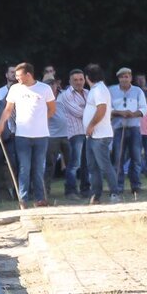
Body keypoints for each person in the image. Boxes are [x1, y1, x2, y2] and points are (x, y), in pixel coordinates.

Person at [0, 63, 56, 208]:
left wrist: (40, 120)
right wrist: (1, 123)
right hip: (22, 135)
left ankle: (40, 199)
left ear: (28, 75)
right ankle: (23, 199)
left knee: (38, 167)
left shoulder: (45, 88)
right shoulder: (15, 89)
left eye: (19, 76)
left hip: (41, 135)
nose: (16, 79)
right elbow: (8, 109)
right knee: (24, 167)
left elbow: (52, 109)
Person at [82, 64, 120, 204]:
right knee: (93, 167)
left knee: (104, 165)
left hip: (99, 135)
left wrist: (91, 125)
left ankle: (114, 193)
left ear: (87, 77)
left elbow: (102, 109)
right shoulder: (97, 89)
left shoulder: (99, 90)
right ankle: (96, 195)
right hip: (93, 135)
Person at [109, 67, 146, 198]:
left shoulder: (137, 91)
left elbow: (143, 108)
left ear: (131, 78)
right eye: (122, 77)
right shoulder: (111, 91)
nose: (124, 79)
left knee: (136, 158)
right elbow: (108, 108)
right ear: (118, 78)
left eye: (127, 76)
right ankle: (118, 186)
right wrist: (120, 113)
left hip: (134, 127)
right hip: (119, 128)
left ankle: (136, 185)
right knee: (118, 158)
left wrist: (133, 114)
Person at [58, 69, 90, 200]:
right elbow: (78, 112)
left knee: (86, 163)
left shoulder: (88, 93)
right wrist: (93, 110)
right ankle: (70, 190)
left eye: (81, 79)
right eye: (75, 80)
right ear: (70, 81)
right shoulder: (66, 95)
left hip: (88, 132)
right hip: (75, 133)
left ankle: (85, 189)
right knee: (74, 163)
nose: (78, 82)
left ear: (85, 80)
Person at [44, 78, 70, 197]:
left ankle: (71, 189)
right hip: (52, 136)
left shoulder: (65, 96)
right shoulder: (43, 100)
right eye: (48, 85)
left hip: (68, 134)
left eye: (52, 85)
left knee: (71, 163)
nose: (51, 87)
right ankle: (45, 190)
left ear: (56, 85)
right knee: (50, 164)